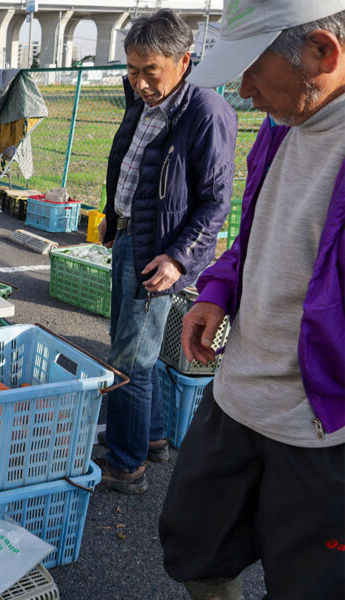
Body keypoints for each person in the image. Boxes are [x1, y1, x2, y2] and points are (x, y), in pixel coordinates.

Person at [159, 2, 345, 598]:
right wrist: (219, 289)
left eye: (254, 70)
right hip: (239, 392)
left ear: (323, 51)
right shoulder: (282, 124)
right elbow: (255, 232)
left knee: (310, 583)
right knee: (194, 546)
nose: (245, 91)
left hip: (323, 425)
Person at [95, 9, 237, 494]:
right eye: (132, 71)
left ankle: (125, 464)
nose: (139, 82)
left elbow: (216, 201)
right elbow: (131, 170)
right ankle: (151, 438)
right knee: (136, 349)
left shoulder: (206, 113)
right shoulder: (143, 103)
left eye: (149, 70)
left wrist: (179, 258)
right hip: (132, 237)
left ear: (184, 60)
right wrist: (116, 225)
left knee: (129, 360)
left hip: (160, 251)